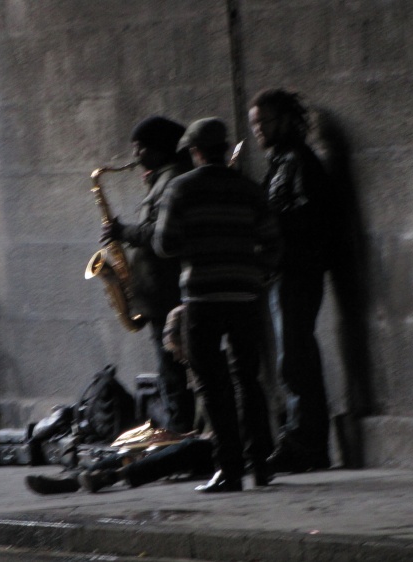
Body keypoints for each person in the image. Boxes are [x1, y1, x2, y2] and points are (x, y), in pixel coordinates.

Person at [153, 118, 280, 493]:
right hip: (245, 295)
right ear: (224, 149)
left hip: (202, 297)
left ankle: (229, 470)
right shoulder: (249, 189)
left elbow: (163, 244)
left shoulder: (180, 188)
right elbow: (273, 239)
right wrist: (258, 273)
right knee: (248, 381)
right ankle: (260, 465)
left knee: (212, 385)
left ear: (194, 152)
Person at [249, 88, 333, 473]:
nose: (258, 130)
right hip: (284, 271)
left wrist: (266, 223)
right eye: (255, 124)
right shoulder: (281, 162)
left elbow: (307, 216)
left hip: (297, 270)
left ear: (285, 120)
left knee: (294, 359)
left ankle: (305, 443)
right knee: (293, 357)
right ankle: (303, 441)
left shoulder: (299, 161)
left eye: (264, 121)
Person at [101, 116, 195, 433]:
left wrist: (121, 231)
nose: (135, 154)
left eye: (140, 147)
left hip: (166, 291)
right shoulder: (163, 178)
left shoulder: (172, 180)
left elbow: (159, 235)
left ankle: (180, 435)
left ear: (160, 148)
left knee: (171, 371)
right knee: (170, 369)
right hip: (160, 290)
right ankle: (180, 431)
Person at [24, 436, 214, 495]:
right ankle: (73, 481)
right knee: (143, 446)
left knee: (190, 448)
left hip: (223, 451)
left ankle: (114, 476)